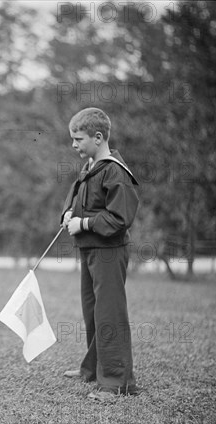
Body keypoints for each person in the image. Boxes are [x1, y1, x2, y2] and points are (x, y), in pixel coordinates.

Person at [60, 107, 140, 402]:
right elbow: (77, 199)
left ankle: (117, 382)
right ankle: (93, 369)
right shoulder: (90, 167)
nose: (74, 145)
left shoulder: (114, 170)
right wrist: (69, 213)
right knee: (92, 311)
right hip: (90, 250)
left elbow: (120, 218)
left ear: (98, 137)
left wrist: (85, 223)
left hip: (109, 253)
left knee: (109, 314)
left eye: (78, 139)